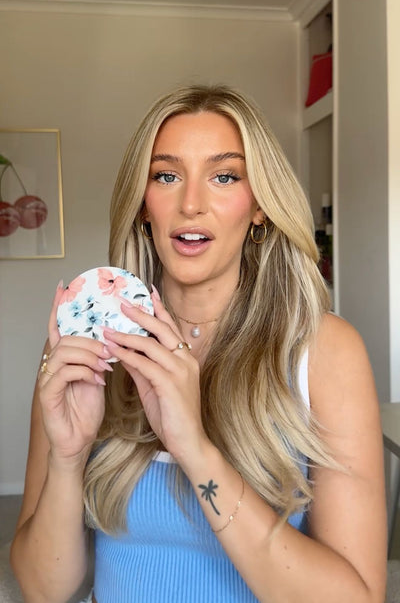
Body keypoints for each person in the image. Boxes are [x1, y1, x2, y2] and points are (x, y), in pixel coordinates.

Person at [11, 85, 387, 603]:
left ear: (260, 206)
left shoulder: (324, 352)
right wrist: (68, 459)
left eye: (224, 176)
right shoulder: (85, 341)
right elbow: (43, 590)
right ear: (144, 206)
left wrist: (195, 449)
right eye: (166, 176)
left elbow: (356, 598)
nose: (191, 204)